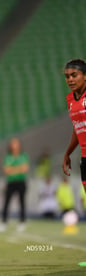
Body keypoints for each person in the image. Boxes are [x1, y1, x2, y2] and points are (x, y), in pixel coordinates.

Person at [62, 59, 86, 193]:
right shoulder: (70, 99)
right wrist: (68, 153)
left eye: (74, 75)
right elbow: (77, 129)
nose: (70, 80)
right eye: (67, 76)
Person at [0, 138, 29, 232]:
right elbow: (7, 170)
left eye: (16, 143)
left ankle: (22, 222)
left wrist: (13, 169)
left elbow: (25, 168)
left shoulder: (23, 156)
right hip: (11, 182)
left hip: (21, 182)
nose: (15, 145)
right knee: (6, 202)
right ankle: (3, 222)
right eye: (13, 144)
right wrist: (18, 169)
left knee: (22, 202)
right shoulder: (8, 157)